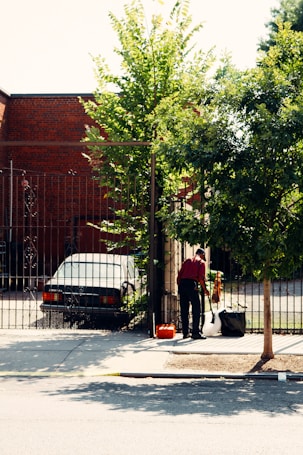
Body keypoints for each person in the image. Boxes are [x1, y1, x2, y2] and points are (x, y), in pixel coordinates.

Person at [177, 248, 210, 339]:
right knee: (196, 309)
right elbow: (201, 278)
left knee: (184, 310)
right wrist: (205, 289)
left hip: (183, 284)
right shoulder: (201, 262)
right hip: (192, 285)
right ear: (202, 254)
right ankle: (195, 332)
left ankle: (185, 333)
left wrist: (180, 287)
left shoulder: (187, 261)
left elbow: (179, 275)